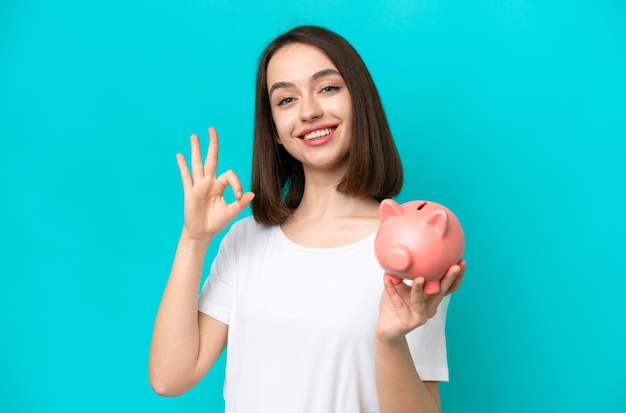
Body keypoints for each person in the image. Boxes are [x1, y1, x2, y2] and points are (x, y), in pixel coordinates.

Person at [149, 25, 466, 413]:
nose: (309, 111)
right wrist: (194, 239)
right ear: (276, 131)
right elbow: (169, 377)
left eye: (328, 88)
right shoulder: (245, 239)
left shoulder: (410, 248)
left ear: (360, 102)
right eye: (285, 99)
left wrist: (390, 339)